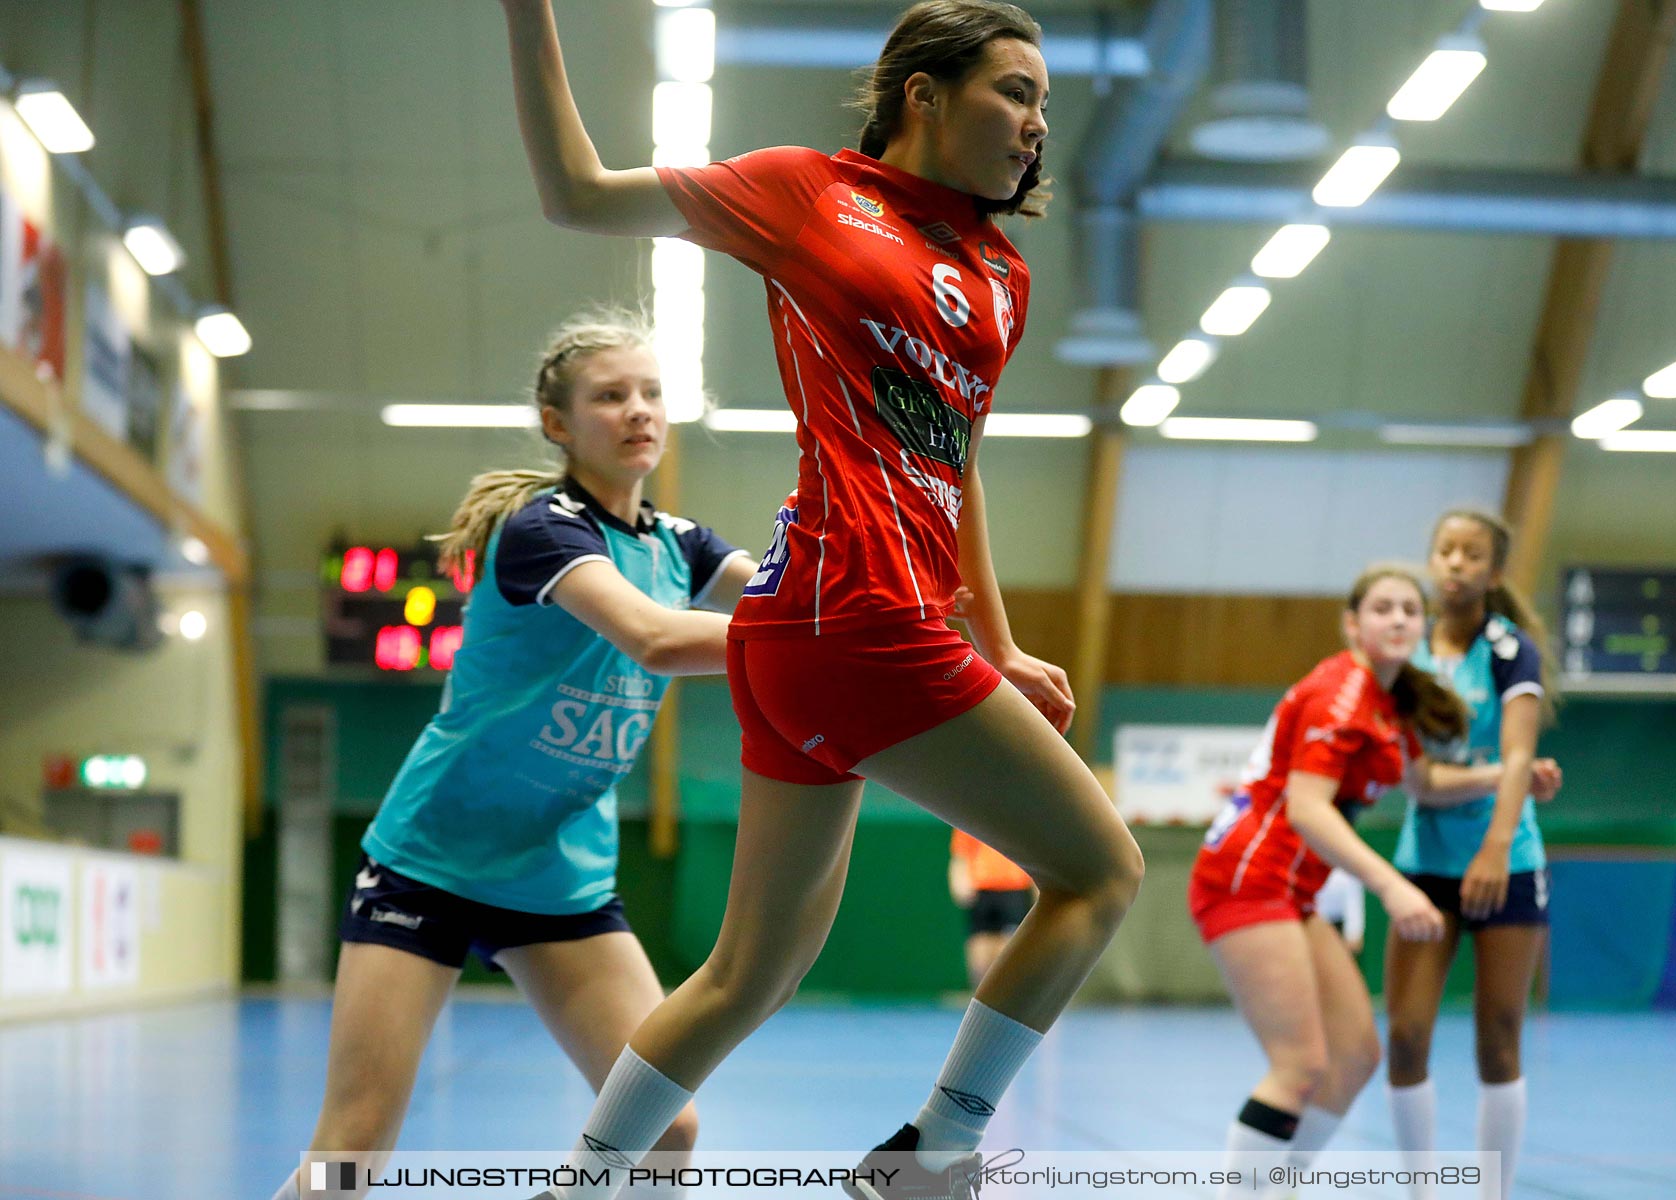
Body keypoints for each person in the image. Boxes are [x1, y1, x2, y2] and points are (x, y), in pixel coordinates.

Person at [498, 2, 1144, 1197]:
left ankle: (575, 1187)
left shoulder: (1002, 275)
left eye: (1045, 104)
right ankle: (936, 1153)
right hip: (850, 619)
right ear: (926, 94)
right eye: (1015, 91)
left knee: (747, 975)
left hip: (801, 633)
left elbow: (954, 464)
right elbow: (578, 193)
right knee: (1102, 875)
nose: (1036, 124)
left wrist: (994, 638)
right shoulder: (803, 193)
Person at [268, 310, 755, 1200]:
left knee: (664, 1129)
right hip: (433, 862)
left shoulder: (681, 545)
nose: (638, 410)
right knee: (354, 1148)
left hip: (556, 876)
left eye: (651, 394)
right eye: (611, 396)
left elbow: (785, 597)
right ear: (558, 423)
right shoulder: (543, 531)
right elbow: (651, 637)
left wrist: (909, 619)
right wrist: (815, 643)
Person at [1188, 565, 1558, 1197]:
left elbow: (1424, 783)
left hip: (1293, 890)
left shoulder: (1390, 699)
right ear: (1352, 624)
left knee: (1357, 1055)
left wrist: (1508, 776)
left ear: (1423, 626)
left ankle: (1273, 1184)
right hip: (1248, 878)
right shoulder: (1342, 691)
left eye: (1410, 611)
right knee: (1299, 1065)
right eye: (1382, 609)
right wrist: (1393, 886)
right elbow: (1308, 808)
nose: (1398, 620)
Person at [1385, 510, 1562, 1200]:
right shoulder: (1406, 654)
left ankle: (1494, 1192)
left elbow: (1520, 752)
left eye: (1471, 554)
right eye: (1444, 550)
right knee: (1405, 1038)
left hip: (1507, 865)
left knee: (1498, 1040)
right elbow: (1419, 781)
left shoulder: (1511, 649)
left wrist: (1494, 846)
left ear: (1492, 573)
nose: (1455, 563)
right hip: (1425, 868)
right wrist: (1500, 774)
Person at [949, 829, 1035, 988]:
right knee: (980, 945)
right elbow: (960, 852)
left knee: (1008, 946)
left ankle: (1008, 994)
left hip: (1014, 887)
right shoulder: (971, 815)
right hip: (982, 887)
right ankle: (980, 995)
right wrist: (958, 878)